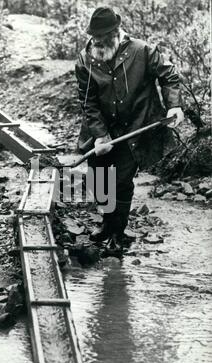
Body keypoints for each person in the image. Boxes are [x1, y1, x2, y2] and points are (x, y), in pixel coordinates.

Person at [75, 6, 184, 255]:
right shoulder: (84, 59)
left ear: (116, 33)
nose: (97, 42)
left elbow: (169, 76)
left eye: (103, 38)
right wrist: (101, 135)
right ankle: (106, 223)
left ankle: (117, 233)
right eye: (94, 38)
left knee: (122, 181)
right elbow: (87, 102)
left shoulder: (143, 50)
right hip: (100, 127)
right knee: (97, 178)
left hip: (136, 127)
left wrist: (174, 106)